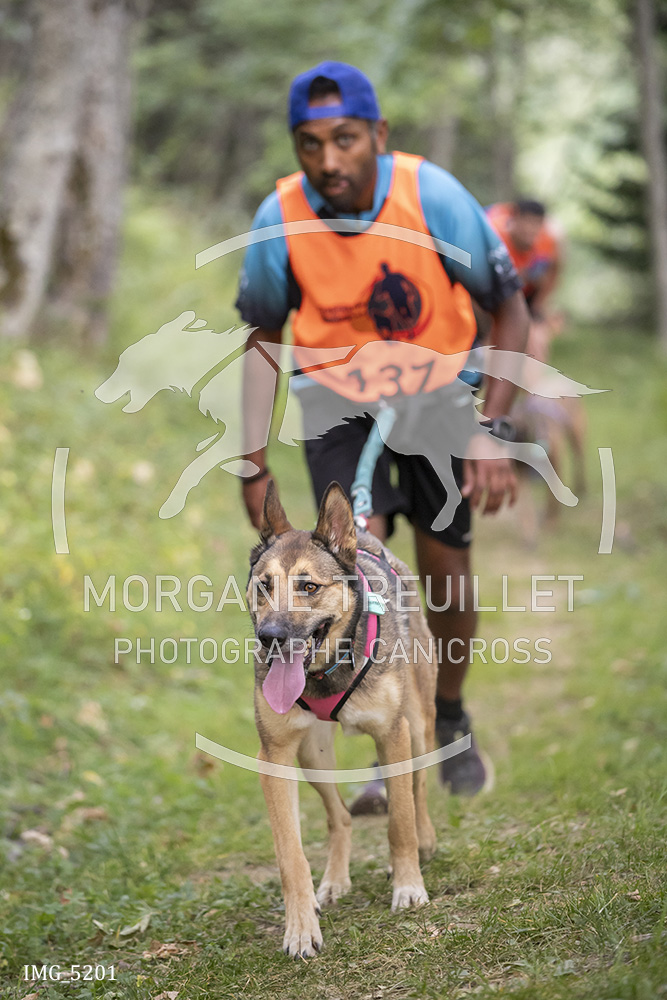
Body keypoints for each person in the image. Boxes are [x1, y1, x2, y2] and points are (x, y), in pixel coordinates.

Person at [235, 61, 530, 802]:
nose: (328, 160)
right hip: (335, 402)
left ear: (378, 134)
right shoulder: (280, 217)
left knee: (444, 573)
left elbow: (510, 306)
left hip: (439, 400)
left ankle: (448, 715)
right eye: (309, 144)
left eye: (345, 139)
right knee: (354, 557)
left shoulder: (432, 197)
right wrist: (251, 462)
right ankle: (384, 728)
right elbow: (264, 338)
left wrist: (492, 428)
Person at [486, 199, 562, 364]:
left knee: (536, 339)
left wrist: (540, 304)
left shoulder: (547, 241)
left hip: (527, 294)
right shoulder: (496, 239)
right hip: (494, 294)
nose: (530, 229)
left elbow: (554, 270)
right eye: (526, 222)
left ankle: (531, 377)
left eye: (536, 224)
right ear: (514, 220)